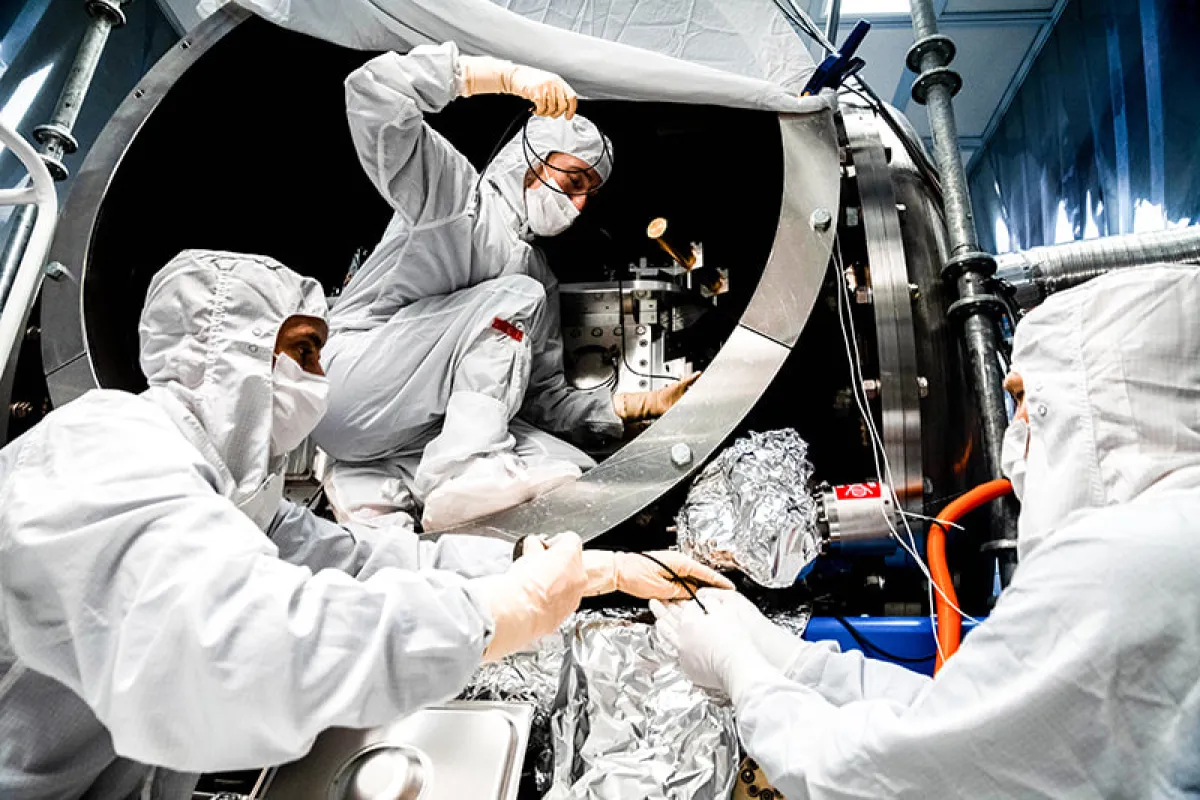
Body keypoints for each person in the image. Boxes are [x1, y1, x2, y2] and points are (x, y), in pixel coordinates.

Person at [0, 250, 729, 799]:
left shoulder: (231, 498)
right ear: (233, 349)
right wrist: (494, 614)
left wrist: (572, 568)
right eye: (308, 350)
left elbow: (362, 562)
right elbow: (250, 648)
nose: (322, 378)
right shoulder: (106, 449)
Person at [652, 264, 1200, 798]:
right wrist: (794, 663)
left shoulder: (1120, 564)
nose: (1014, 435)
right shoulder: (1171, 537)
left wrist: (740, 672)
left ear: (1093, 399)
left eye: (1024, 400)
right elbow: (964, 724)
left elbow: (887, 779)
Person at [311, 42, 699, 531]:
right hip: (349, 383)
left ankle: (396, 498)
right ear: (530, 158)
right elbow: (374, 92)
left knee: (569, 476)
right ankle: (464, 469)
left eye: (590, 193)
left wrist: (632, 406)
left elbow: (540, 397)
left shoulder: (536, 271)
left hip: (404, 433)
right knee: (515, 297)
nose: (579, 204)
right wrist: (499, 76)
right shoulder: (456, 201)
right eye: (574, 179)